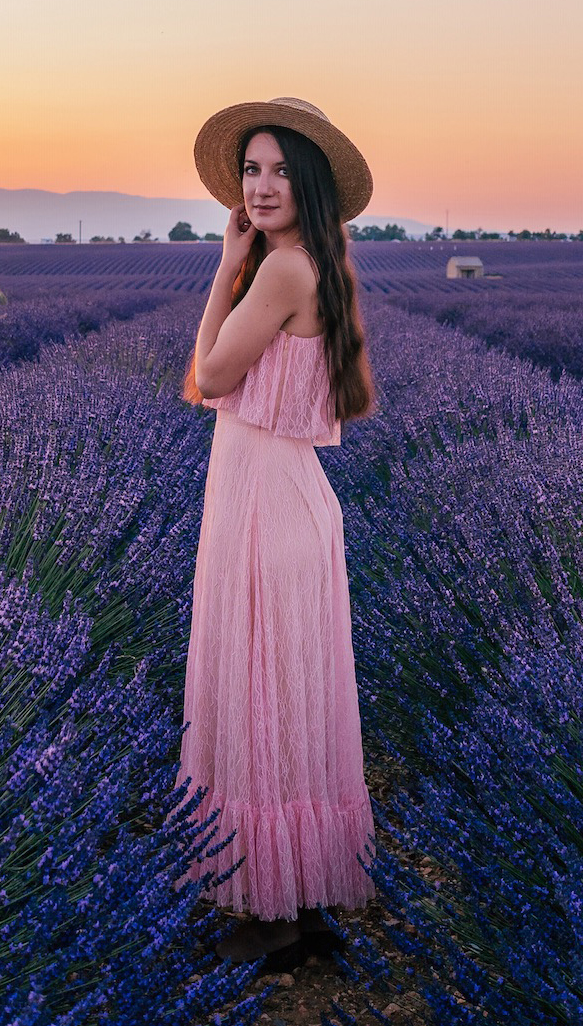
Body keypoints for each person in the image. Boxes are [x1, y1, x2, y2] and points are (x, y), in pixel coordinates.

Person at [177, 96, 380, 965]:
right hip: (281, 493)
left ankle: (268, 917)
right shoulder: (318, 261)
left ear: (312, 185)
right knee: (291, 700)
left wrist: (224, 270)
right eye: (251, 169)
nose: (260, 186)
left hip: (262, 501)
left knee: (260, 697)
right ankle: (294, 904)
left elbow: (206, 375)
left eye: (279, 171)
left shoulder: (281, 270)